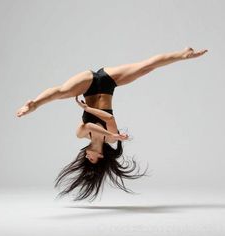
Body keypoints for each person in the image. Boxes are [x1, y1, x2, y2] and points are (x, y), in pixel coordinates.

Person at [16, 47, 208, 201]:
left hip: (88, 85)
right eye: (91, 160)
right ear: (100, 156)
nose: (86, 156)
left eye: (86, 159)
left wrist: (89, 110)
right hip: (108, 83)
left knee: (63, 92)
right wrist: (113, 136)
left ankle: (34, 104)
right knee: (145, 68)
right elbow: (108, 119)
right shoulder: (110, 138)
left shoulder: (82, 134)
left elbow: (90, 126)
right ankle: (183, 55)